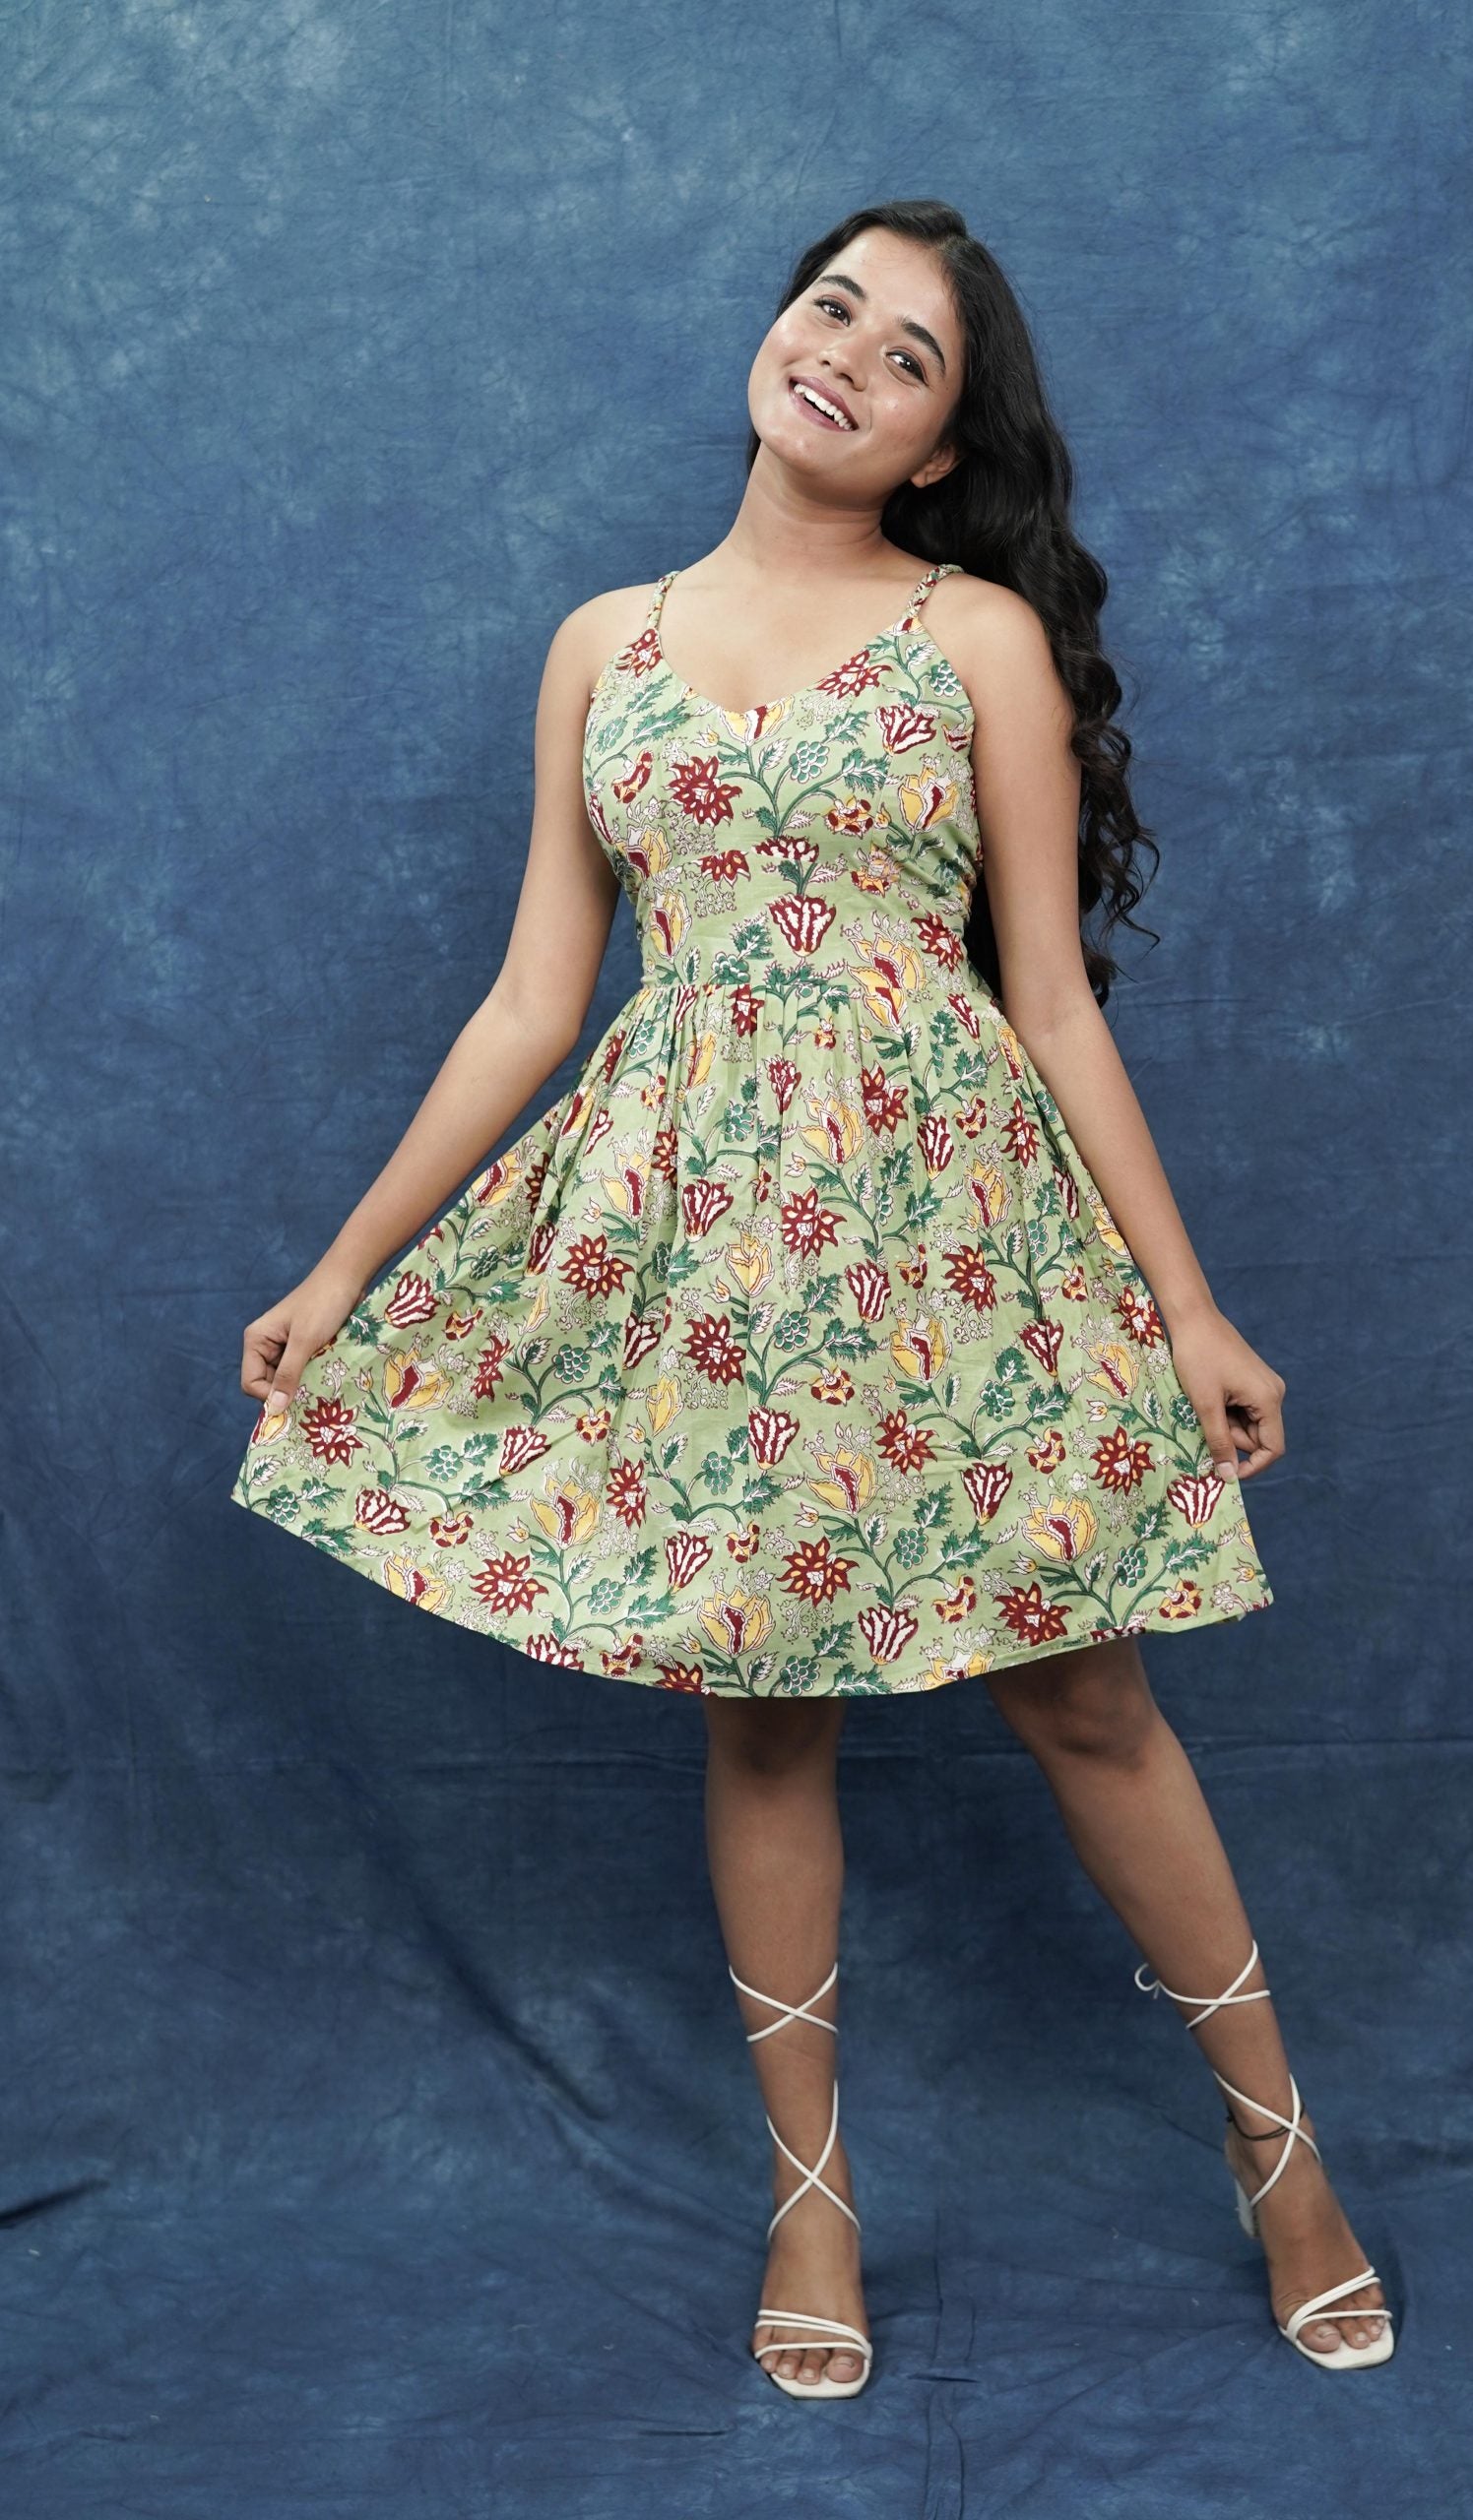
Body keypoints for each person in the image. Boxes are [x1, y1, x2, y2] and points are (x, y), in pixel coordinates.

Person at [233, 199, 1393, 2398]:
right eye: (832, 306)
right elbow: (531, 998)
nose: (848, 351)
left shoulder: (974, 638)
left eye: (911, 353)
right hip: (703, 1256)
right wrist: (343, 1264)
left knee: (1084, 1695)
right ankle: (809, 2199)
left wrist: (1189, 1308)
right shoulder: (604, 641)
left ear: (940, 447)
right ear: (776, 332)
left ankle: (1282, 2155)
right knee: (762, 1708)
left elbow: (1048, 1000)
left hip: (952, 1234)